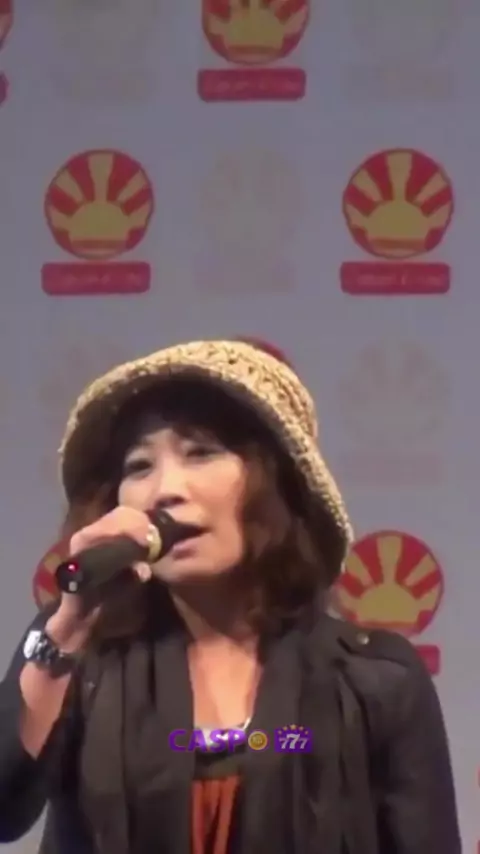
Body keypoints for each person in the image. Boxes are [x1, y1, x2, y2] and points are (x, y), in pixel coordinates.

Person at [0, 338, 461, 854]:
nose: (164, 490)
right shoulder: (74, 654)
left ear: (274, 482)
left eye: (200, 453)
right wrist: (68, 630)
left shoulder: (376, 678)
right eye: (139, 466)